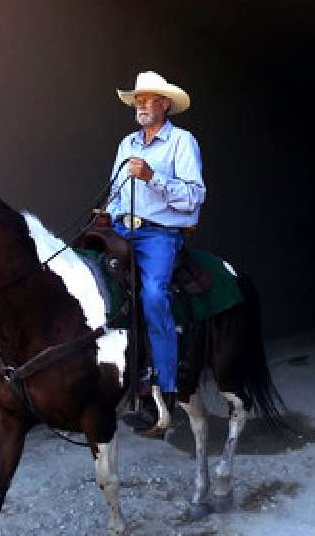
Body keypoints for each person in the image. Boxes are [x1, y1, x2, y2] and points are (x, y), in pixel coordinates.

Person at [104, 70, 205, 437]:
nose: (141, 105)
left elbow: (195, 195)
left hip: (158, 233)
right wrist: (106, 212)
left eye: (148, 100)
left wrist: (152, 178)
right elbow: (116, 190)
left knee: (152, 294)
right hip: (119, 229)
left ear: (165, 104)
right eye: (137, 100)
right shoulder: (126, 143)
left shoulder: (181, 142)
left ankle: (164, 383)